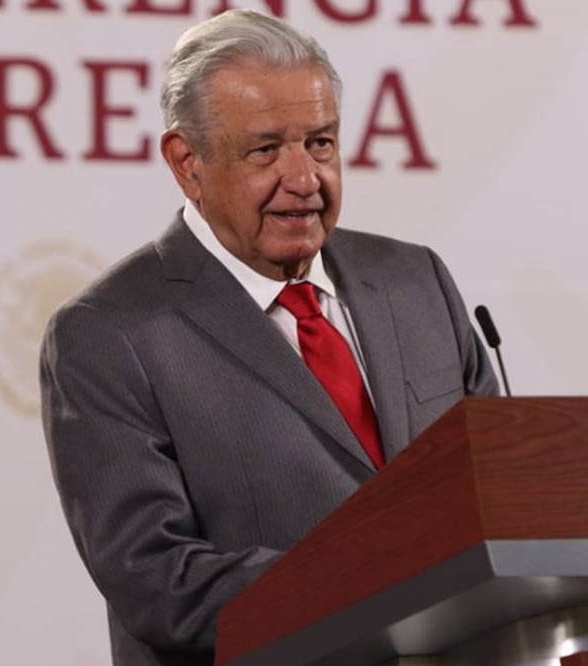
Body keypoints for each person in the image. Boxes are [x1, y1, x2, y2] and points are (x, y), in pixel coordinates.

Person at [40, 9, 499, 666]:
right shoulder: (108, 335)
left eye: (320, 142)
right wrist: (384, 579)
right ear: (186, 162)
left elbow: (496, 494)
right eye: (264, 149)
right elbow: (158, 581)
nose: (305, 179)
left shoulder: (413, 279)